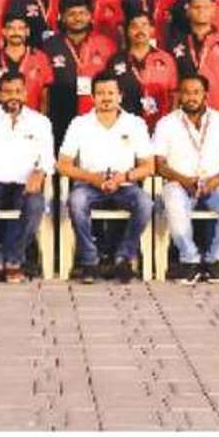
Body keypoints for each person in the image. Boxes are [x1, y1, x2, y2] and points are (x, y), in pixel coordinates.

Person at [58, 73, 155, 283]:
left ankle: (123, 257)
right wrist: (92, 177)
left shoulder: (135, 124)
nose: (106, 98)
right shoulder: (80, 124)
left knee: (145, 203)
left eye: (111, 93)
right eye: (100, 93)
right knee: (76, 201)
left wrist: (124, 177)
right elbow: (63, 164)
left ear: (120, 96)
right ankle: (89, 261)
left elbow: (149, 166)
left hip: (125, 184)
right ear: (92, 97)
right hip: (89, 184)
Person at [0, 72, 57, 283]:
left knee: (35, 204)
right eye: (7, 92)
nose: (13, 96)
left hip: (25, 186)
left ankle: (14, 261)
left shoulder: (40, 122)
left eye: (18, 91)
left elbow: (48, 159)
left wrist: (40, 172)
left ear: (25, 93)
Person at [152, 74, 219, 282]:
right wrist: (184, 180)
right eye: (186, 92)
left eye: (196, 92)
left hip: (215, 182)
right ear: (179, 95)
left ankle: (214, 260)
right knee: (174, 203)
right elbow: (159, 164)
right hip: (179, 182)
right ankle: (190, 260)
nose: (191, 97)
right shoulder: (166, 124)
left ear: (205, 95)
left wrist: (218, 179)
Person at [41, 0, 118, 144]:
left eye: (82, 13)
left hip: (97, 113)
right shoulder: (49, 46)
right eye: (72, 14)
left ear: (90, 16)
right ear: (63, 17)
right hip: (60, 112)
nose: (77, 18)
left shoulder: (106, 44)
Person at [107, 11, 182, 127]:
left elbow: (175, 95)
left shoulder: (167, 60)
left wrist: (170, 124)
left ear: (152, 30)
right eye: (134, 26)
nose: (140, 30)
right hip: (125, 126)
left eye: (144, 25)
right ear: (127, 31)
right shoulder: (115, 61)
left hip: (160, 126)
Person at [0, 13, 56, 114]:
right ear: (3, 31)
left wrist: (42, 120)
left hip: (32, 119)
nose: (16, 32)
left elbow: (45, 97)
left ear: (27, 32)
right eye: (11, 28)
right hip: (0, 119)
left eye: (20, 28)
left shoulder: (41, 58)